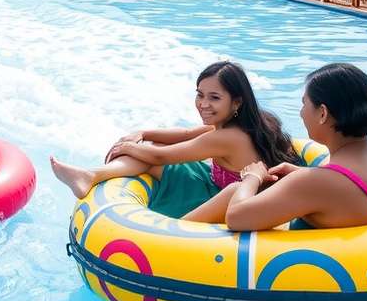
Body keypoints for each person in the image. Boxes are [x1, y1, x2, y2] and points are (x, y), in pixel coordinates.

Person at [50, 61, 300, 220]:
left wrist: (127, 147)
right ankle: (91, 175)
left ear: (236, 102)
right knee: (150, 148)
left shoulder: (228, 137)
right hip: (220, 186)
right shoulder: (245, 122)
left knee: (150, 155)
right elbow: (187, 134)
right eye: (200, 95)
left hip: (228, 202)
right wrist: (143, 134)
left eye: (214, 97)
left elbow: (161, 157)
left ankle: (92, 176)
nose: (203, 104)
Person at [225, 63, 367, 230]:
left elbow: (236, 218)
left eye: (304, 104)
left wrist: (252, 177)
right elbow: (345, 191)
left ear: (322, 113)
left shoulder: (313, 182)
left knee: (235, 190)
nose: (301, 113)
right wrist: (300, 174)